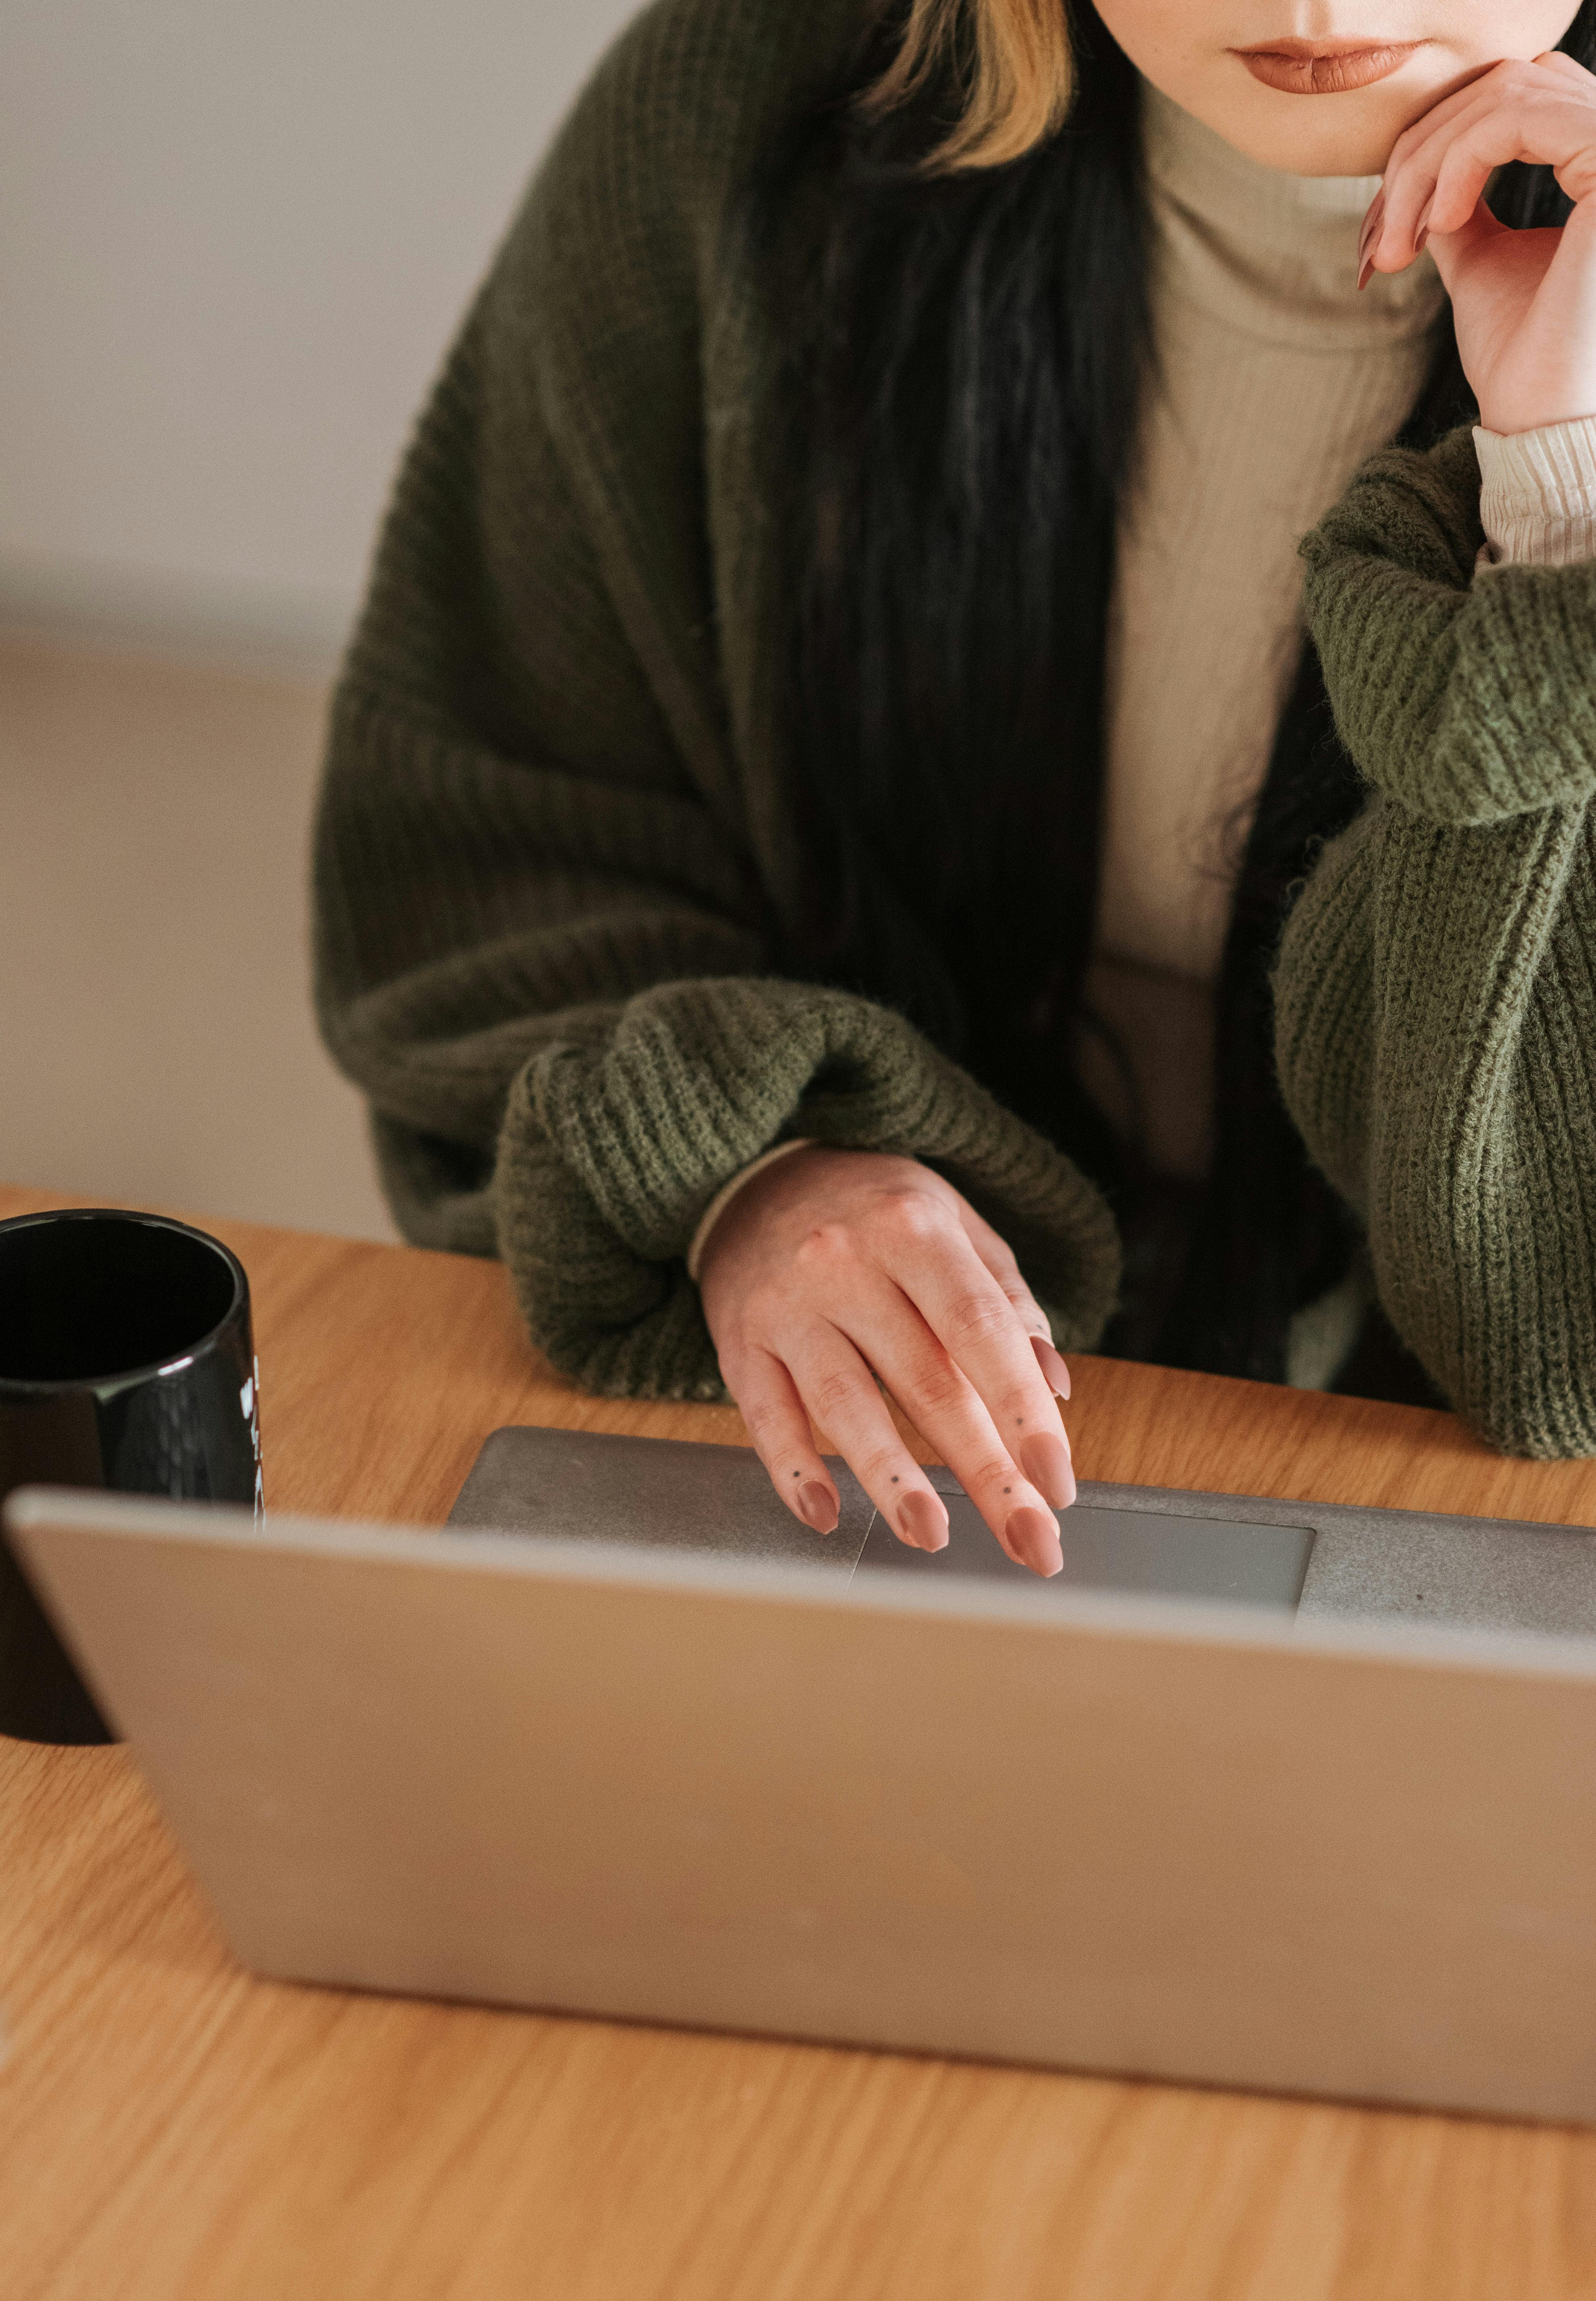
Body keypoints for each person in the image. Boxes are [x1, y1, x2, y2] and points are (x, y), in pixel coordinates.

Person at [312, 0, 1596, 1578]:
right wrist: (754, 1171)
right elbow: (493, 839)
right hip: (885, 1445)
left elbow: (1558, 1337)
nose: (1313, 5)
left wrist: (1564, 510)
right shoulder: (753, 99)